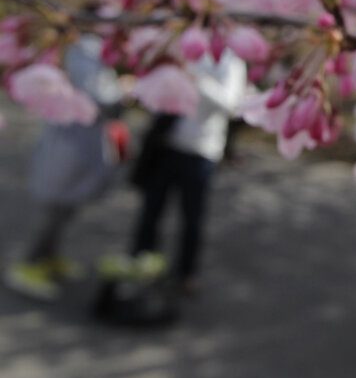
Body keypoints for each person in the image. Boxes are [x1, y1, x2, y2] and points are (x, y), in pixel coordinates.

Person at [4, 36, 122, 301]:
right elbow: (98, 95)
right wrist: (120, 95)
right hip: (67, 145)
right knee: (53, 208)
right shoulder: (82, 51)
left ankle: (50, 258)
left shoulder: (94, 49)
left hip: (83, 142)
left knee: (67, 207)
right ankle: (28, 265)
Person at [130, 52, 246, 293]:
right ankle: (141, 262)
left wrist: (197, 80)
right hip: (167, 145)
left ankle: (186, 273)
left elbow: (230, 104)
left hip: (201, 151)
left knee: (192, 217)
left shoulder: (231, 63)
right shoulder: (192, 53)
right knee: (151, 209)